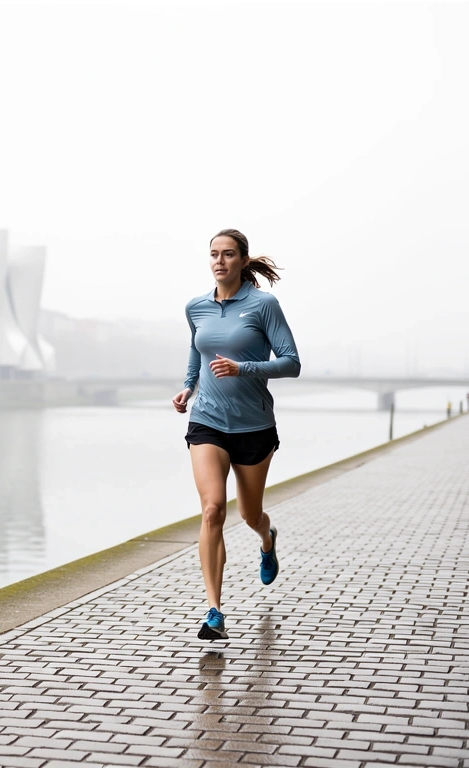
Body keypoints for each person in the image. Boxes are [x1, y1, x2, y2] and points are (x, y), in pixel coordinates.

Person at [172, 229, 301, 640]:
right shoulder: (196, 307)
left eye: (228, 254)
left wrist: (244, 368)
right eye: (214, 254)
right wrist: (189, 387)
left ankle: (267, 539)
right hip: (207, 420)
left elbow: (291, 363)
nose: (220, 261)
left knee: (249, 514)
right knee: (212, 510)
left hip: (254, 426)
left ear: (243, 260)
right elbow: (198, 351)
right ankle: (214, 612)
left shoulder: (264, 305)